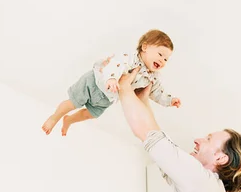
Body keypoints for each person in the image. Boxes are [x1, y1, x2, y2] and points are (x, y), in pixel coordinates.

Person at [41, 29, 181, 136]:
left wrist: (169, 100)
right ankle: (55, 117)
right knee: (72, 103)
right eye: (160, 54)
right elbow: (116, 65)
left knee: (89, 114)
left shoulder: (152, 77)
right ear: (144, 47)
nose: (162, 61)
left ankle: (69, 120)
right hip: (95, 82)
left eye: (166, 59)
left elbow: (157, 92)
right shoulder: (130, 59)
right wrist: (112, 78)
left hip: (108, 97)